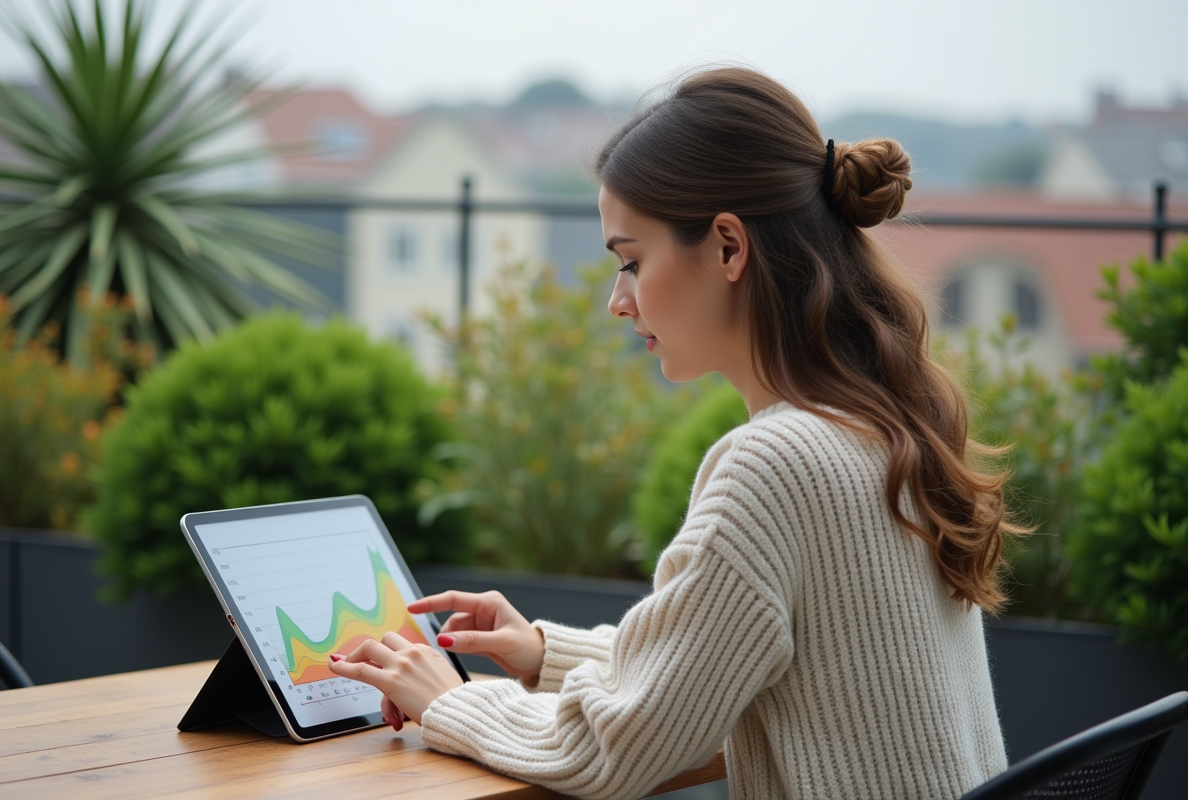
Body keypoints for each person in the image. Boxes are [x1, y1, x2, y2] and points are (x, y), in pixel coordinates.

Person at [328, 66, 1015, 800]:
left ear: (727, 247)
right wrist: (542, 652)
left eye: (630, 261)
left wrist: (447, 700)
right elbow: (721, 666)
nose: (618, 302)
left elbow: (618, 753)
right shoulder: (883, 424)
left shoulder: (776, 464)